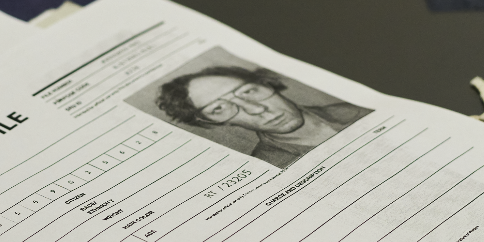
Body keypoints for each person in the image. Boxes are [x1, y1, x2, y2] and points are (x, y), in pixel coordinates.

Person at [155, 66, 370, 168]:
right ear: (209, 122)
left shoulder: (360, 110)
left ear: (266, 83)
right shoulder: (272, 166)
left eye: (248, 91)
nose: (256, 109)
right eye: (219, 108)